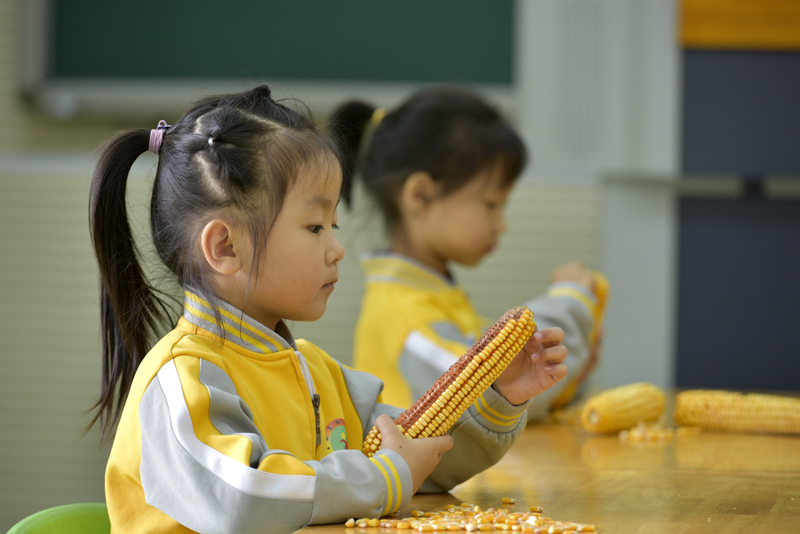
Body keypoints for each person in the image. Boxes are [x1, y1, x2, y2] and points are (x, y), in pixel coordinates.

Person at [87, 84, 569, 534]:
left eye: (334, 225)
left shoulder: (322, 375)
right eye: (316, 227)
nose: (337, 248)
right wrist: (383, 478)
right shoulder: (182, 380)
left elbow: (419, 452)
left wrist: (498, 400)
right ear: (226, 247)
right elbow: (246, 494)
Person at [330, 86, 604, 420]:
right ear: (420, 195)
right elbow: (493, 390)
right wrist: (570, 302)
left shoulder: (436, 295)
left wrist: (569, 374)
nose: (501, 224)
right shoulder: (404, 317)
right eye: (491, 204)